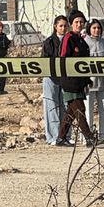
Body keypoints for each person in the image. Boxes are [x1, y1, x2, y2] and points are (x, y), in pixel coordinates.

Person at [57, 10, 95, 146]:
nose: (79, 24)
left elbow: (84, 64)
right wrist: (67, 78)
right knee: (80, 110)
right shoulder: (68, 38)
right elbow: (63, 59)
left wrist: (87, 80)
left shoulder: (82, 41)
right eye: (76, 22)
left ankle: (61, 138)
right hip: (70, 81)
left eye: (81, 22)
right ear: (71, 24)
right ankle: (89, 138)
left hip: (80, 82)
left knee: (71, 112)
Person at [84, 19, 104, 145]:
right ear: (89, 29)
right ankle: (87, 136)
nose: (96, 30)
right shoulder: (85, 42)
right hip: (89, 84)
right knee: (88, 111)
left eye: (98, 28)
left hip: (103, 83)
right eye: (94, 28)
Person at [40, 15, 68, 145]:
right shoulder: (49, 41)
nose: (63, 28)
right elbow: (44, 60)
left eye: (65, 26)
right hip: (51, 78)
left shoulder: (70, 40)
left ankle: (65, 136)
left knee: (66, 107)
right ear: (55, 27)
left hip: (66, 78)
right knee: (51, 107)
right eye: (60, 25)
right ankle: (53, 137)